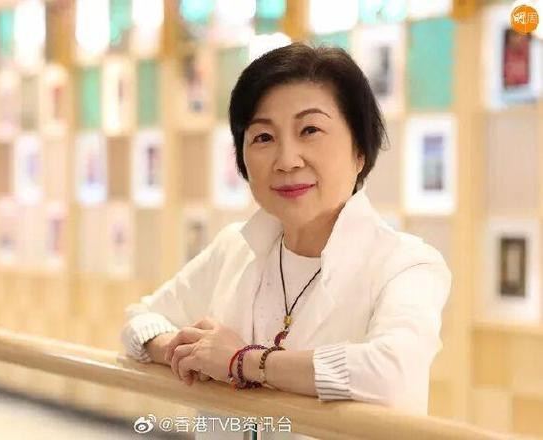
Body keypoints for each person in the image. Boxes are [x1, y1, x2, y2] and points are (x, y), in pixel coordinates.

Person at [120, 43, 452, 439]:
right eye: (263, 137)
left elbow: (390, 373)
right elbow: (140, 321)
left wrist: (243, 362)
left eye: (310, 130)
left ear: (360, 151)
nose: (287, 160)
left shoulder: (407, 264)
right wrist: (186, 350)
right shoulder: (234, 248)